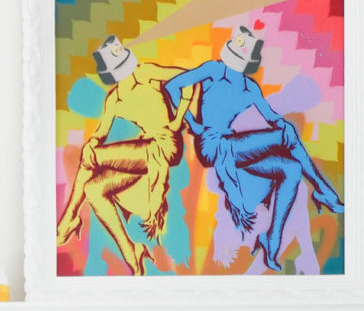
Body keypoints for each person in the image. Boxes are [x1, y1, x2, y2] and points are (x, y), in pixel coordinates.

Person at [162, 25, 344, 271]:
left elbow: (271, 118)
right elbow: (172, 87)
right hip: (212, 146)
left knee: (289, 169)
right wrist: (191, 123)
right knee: (287, 134)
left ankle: (272, 238)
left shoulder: (250, 89)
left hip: (235, 149)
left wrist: (280, 124)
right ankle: (323, 190)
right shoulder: (214, 70)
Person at [57, 34, 197, 275]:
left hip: (165, 146)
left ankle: (69, 217)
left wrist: (178, 119)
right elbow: (100, 134)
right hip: (143, 152)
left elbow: (189, 79)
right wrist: (92, 143)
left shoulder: (146, 74)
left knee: (92, 157)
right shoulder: (115, 98)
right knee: (94, 189)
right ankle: (132, 252)